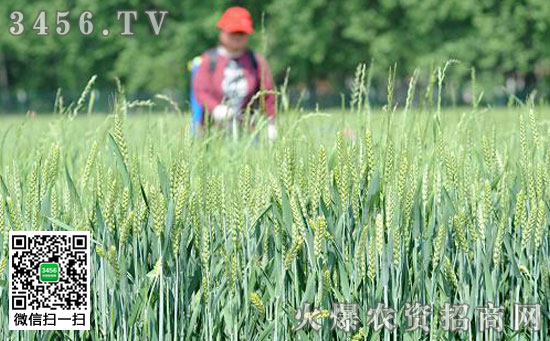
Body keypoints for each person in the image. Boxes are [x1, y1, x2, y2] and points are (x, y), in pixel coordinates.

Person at [190, 6, 277, 139]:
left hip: (247, 132)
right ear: (222, 33)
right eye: (232, 32)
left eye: (241, 33)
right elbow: (200, 90)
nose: (237, 37)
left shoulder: (257, 61)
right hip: (213, 131)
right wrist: (215, 108)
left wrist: (271, 122)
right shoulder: (209, 60)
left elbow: (268, 94)